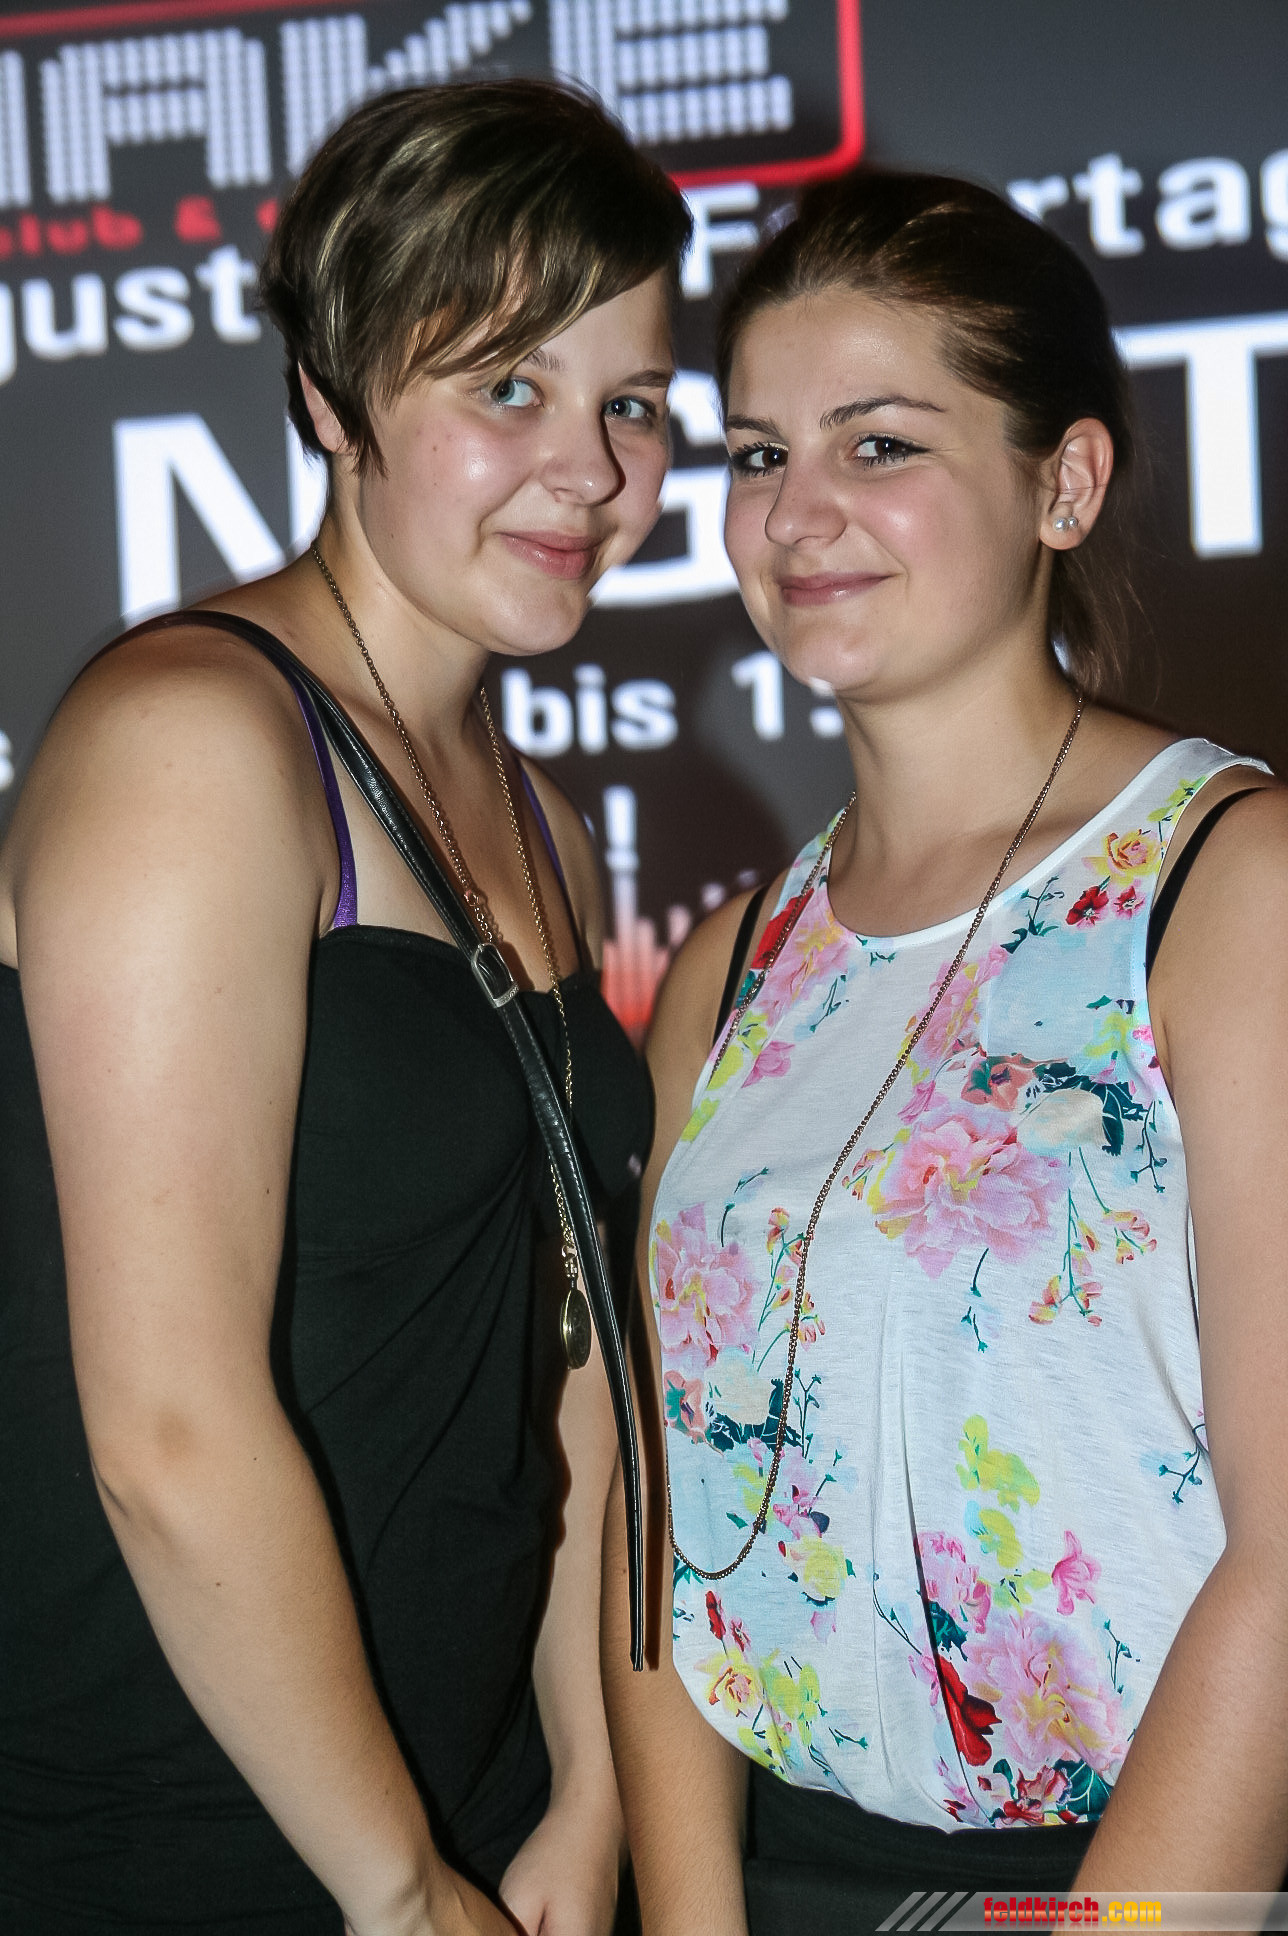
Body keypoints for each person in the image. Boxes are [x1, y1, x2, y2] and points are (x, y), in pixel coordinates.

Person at [0, 81, 690, 1936]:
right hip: (178, 1834)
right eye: (508, 386)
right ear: (329, 396)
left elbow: (568, 1354)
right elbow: (166, 1425)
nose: (591, 470)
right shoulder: (194, 742)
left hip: (476, 1807)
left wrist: (586, 1792)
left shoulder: (537, 818)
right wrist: (396, 1887)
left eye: (632, 402)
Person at [603, 169, 1288, 1931]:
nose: (797, 513)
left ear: (1065, 483)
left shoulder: (1228, 884)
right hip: (788, 1872)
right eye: (760, 453)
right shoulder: (730, 966)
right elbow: (664, 1513)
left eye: (881, 444)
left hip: (1148, 1879)